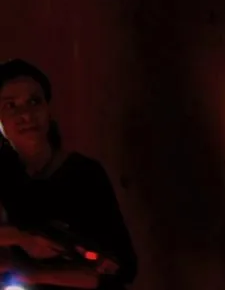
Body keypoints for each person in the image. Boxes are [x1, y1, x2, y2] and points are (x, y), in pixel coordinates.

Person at [0, 59, 138, 289]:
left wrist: (35, 274)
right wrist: (22, 237)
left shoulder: (84, 175)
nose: (26, 115)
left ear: (48, 109)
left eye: (34, 101)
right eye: (10, 105)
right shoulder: (6, 175)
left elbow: (122, 268)